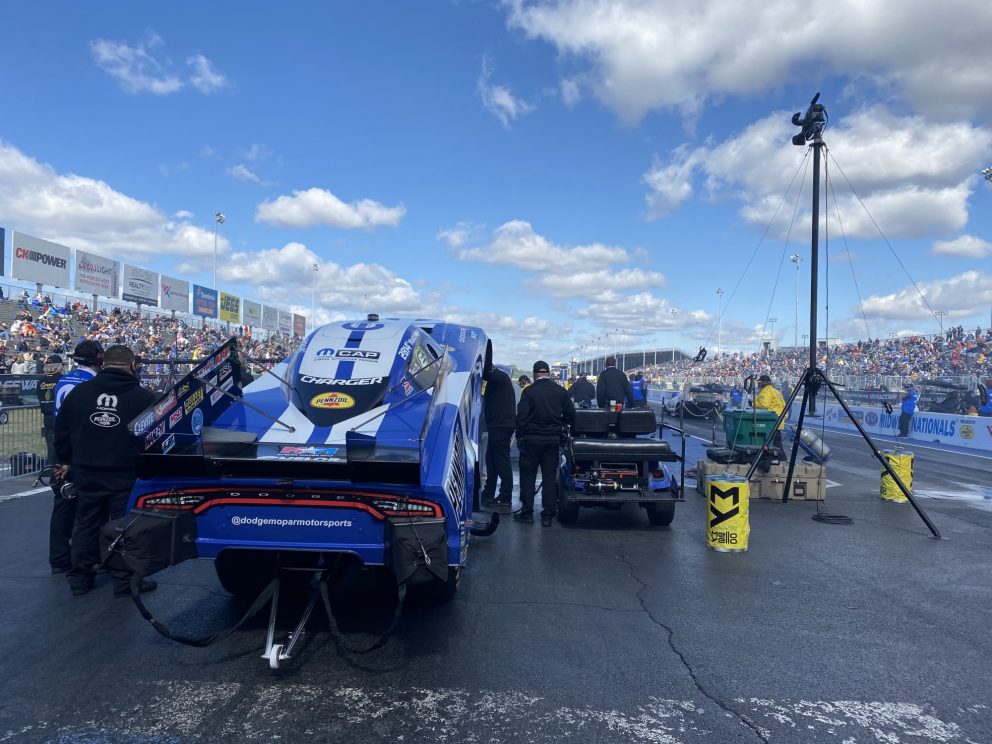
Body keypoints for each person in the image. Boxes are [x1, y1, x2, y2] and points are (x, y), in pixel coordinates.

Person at [54, 345, 158, 598]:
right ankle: (123, 582)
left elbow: (62, 430)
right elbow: (154, 438)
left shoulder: (79, 393)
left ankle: (80, 578)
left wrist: (65, 460)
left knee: (85, 523)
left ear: (103, 364)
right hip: (124, 473)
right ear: (133, 366)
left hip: (86, 471)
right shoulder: (144, 398)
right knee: (123, 526)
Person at [515, 360, 575, 526]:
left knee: (528, 477)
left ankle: (527, 513)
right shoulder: (560, 391)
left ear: (534, 375)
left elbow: (521, 417)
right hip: (552, 440)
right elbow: (571, 414)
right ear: (548, 373)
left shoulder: (529, 392)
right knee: (549, 477)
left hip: (531, 440)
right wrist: (561, 423)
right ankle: (547, 515)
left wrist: (520, 436)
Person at [39, 354, 72, 573]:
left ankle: (54, 475)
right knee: (56, 453)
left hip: (47, 418)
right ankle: (59, 477)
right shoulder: (62, 379)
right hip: (57, 418)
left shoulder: (41, 381)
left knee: (52, 453)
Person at [480, 365, 516, 508]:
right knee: (491, 460)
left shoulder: (498, 377)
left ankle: (505, 495)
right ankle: (489, 492)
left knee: (501, 461)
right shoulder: (499, 378)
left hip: (501, 425)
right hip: (498, 425)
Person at [753, 374, 786, 450]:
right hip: (779, 419)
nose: (758, 384)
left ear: (763, 383)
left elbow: (764, 405)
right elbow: (784, 405)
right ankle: (780, 457)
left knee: (768, 441)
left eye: (759, 382)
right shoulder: (776, 392)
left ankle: (772, 457)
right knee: (777, 441)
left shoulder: (765, 391)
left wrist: (752, 403)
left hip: (770, 420)